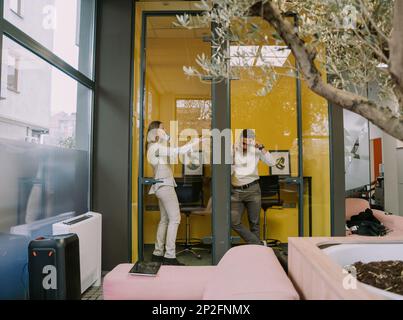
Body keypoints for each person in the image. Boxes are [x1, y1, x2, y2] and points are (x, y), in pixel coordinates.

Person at [146, 121, 200, 265]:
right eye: (163, 128)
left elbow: (171, 153)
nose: (166, 130)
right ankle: (169, 256)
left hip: (160, 186)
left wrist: (165, 138)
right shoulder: (156, 147)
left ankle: (157, 253)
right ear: (156, 131)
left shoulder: (156, 147)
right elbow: (178, 152)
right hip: (165, 186)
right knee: (175, 219)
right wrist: (194, 142)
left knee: (164, 220)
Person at [231, 129, 276, 245]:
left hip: (253, 190)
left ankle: (255, 252)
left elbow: (272, 162)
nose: (245, 146)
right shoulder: (232, 150)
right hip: (236, 191)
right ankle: (259, 245)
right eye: (243, 142)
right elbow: (228, 172)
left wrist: (261, 147)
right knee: (233, 221)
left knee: (254, 223)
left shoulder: (256, 150)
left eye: (247, 143)